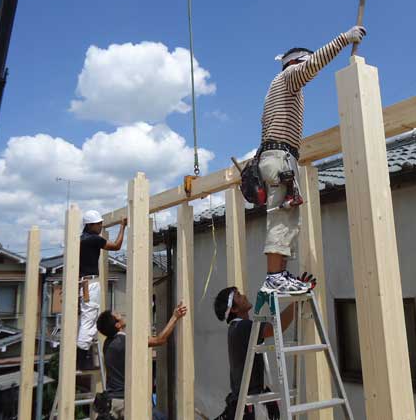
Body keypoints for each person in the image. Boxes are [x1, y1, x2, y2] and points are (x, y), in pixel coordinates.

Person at [258, 25, 367, 294]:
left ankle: (280, 274)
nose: (310, 71)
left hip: (279, 156)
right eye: (305, 63)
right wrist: (344, 39)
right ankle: (274, 277)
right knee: (282, 216)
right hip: (280, 156)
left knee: (288, 215)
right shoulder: (288, 77)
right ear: (294, 63)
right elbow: (313, 64)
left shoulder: (280, 91)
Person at [212, 278, 315, 420]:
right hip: (251, 403)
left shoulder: (237, 328)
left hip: (247, 400)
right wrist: (297, 299)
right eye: (239, 296)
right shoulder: (242, 327)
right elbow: (274, 328)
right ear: (234, 309)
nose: (244, 296)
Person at [96, 302, 188, 420]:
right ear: (118, 325)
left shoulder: (107, 343)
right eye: (117, 315)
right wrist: (175, 317)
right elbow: (159, 340)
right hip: (124, 402)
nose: (120, 314)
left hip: (113, 401)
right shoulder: (124, 341)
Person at [77, 210, 127, 369]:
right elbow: (117, 246)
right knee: (88, 321)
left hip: (83, 283)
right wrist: (123, 227)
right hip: (89, 284)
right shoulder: (93, 239)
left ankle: (82, 356)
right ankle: (80, 361)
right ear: (90, 225)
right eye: (98, 224)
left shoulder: (80, 239)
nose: (100, 227)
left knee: (88, 319)